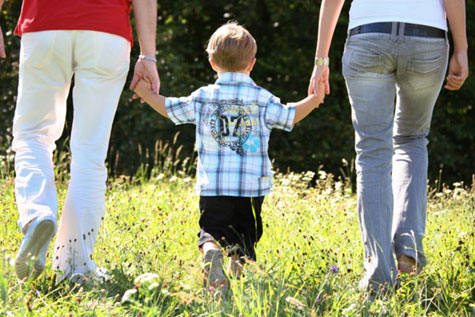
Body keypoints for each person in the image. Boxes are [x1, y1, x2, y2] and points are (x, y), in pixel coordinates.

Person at [134, 22, 325, 294]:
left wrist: (145, 92)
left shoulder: (203, 98)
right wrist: (314, 99)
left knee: (211, 231)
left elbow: (169, 108)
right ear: (252, 63)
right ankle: (239, 283)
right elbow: (290, 115)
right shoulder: (262, 98)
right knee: (245, 240)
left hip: (214, 187)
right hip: (251, 189)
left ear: (212, 63)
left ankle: (212, 253)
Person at [308, 0, 468, 292]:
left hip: (368, 36)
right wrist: (462, 49)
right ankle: (408, 246)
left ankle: (379, 275)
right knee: (412, 139)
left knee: (372, 153)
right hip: (427, 40)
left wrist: (321, 60)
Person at [1, 0, 160, 282]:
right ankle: (74, 266)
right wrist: (148, 56)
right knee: (90, 152)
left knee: (33, 134)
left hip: (45, 24)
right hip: (107, 32)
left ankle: (37, 213)